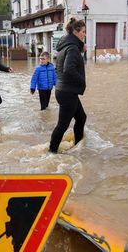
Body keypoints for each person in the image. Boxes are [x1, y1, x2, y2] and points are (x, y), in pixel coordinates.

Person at [49, 17, 87, 153]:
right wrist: (82, 81)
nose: (85, 34)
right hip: (67, 93)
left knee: (81, 118)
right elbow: (69, 69)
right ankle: (51, 152)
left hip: (64, 90)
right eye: (83, 31)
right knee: (62, 125)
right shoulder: (72, 48)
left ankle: (78, 146)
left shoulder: (66, 46)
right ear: (76, 32)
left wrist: (81, 49)